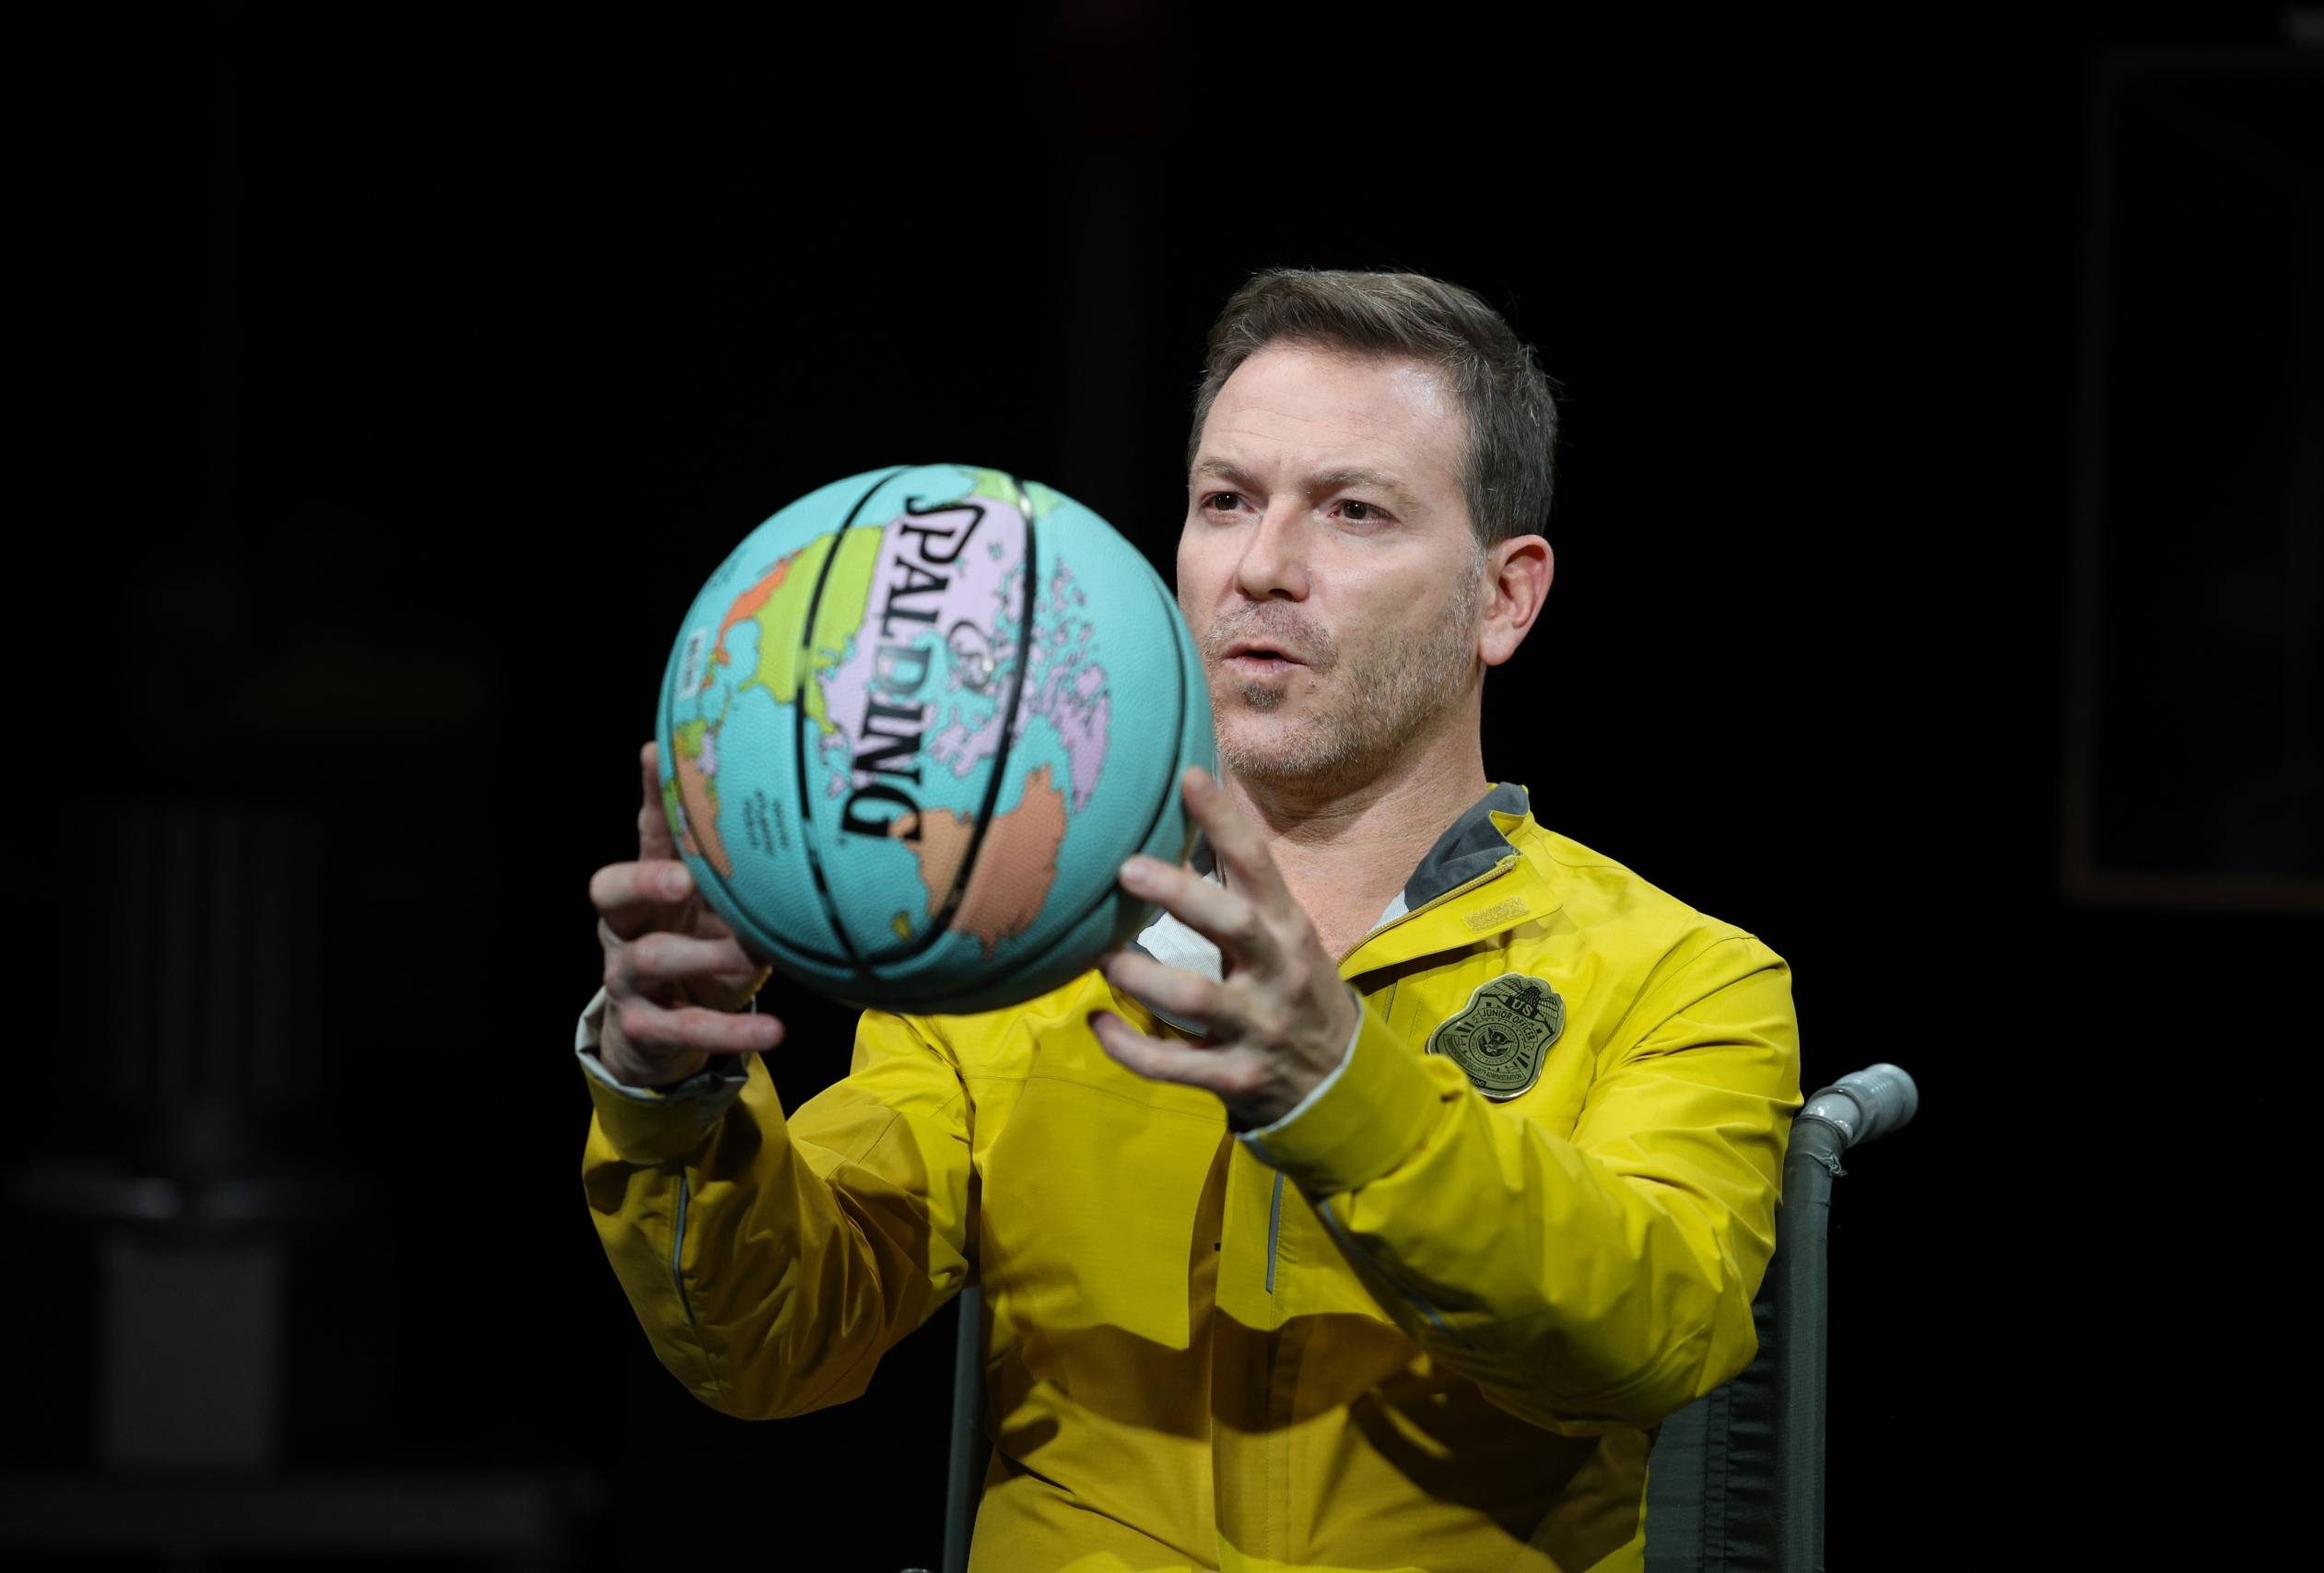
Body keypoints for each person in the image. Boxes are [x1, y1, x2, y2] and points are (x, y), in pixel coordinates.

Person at [581, 269, 1802, 1573]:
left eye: (1353, 511)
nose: (1263, 568)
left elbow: (1654, 1339)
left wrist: (1341, 1089)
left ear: (1506, 597)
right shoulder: (1012, 944)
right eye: (1226, 501)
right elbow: (773, 1348)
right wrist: (678, 1093)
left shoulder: (1682, 975)